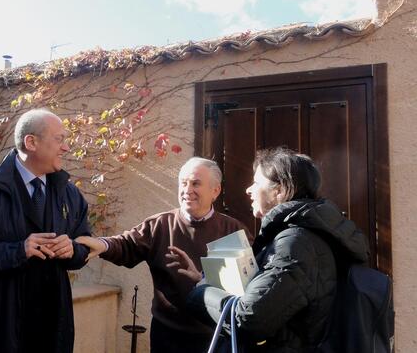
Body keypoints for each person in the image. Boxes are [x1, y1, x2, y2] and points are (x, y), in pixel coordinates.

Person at [187, 147, 369, 352]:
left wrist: (202, 293)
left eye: (256, 182)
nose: (249, 190)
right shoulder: (305, 235)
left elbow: (249, 318)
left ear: (279, 190)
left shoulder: (296, 243)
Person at [0, 109, 91, 353]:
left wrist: (72, 249)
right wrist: (17, 250)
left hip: (52, 328)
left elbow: (85, 245)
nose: (65, 148)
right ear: (31, 142)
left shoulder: (70, 194)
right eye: (59, 139)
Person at [75, 157, 250, 353]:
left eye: (195, 183)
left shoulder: (233, 231)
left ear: (215, 191)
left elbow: (250, 283)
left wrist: (202, 278)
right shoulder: (160, 224)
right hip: (167, 336)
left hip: (217, 336)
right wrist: (102, 244)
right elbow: (127, 244)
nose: (187, 190)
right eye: (183, 183)